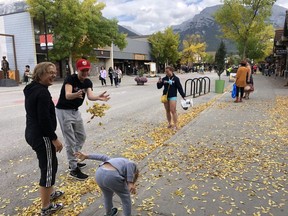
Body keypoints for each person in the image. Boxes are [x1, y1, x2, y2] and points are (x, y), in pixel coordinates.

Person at [55, 59, 110, 180]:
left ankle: (74, 157)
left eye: (87, 70)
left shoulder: (87, 81)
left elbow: (90, 96)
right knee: (70, 140)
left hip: (75, 111)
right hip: (64, 111)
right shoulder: (70, 79)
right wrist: (76, 94)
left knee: (81, 136)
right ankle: (73, 168)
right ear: (78, 69)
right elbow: (67, 95)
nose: (85, 73)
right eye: (82, 70)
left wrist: (99, 98)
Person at [23, 62, 64, 216]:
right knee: (48, 169)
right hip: (42, 136)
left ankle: (50, 193)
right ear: (40, 74)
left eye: (55, 72)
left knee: (51, 164)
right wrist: (54, 139)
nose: (54, 75)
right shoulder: (42, 93)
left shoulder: (31, 88)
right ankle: (46, 208)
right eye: (50, 72)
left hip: (32, 133)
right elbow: (44, 120)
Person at [74, 152, 139, 216]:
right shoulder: (133, 165)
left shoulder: (114, 161)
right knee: (125, 197)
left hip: (99, 173)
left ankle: (109, 213)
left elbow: (102, 157)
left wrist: (87, 156)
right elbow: (130, 164)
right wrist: (130, 183)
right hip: (112, 176)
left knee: (107, 195)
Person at [157, 66, 186, 130]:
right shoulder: (164, 78)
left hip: (173, 96)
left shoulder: (176, 79)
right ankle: (170, 123)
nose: (166, 73)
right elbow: (159, 87)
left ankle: (176, 125)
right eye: (165, 72)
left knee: (173, 110)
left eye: (167, 71)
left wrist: (183, 95)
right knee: (167, 111)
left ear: (171, 71)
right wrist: (159, 82)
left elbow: (179, 88)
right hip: (165, 96)